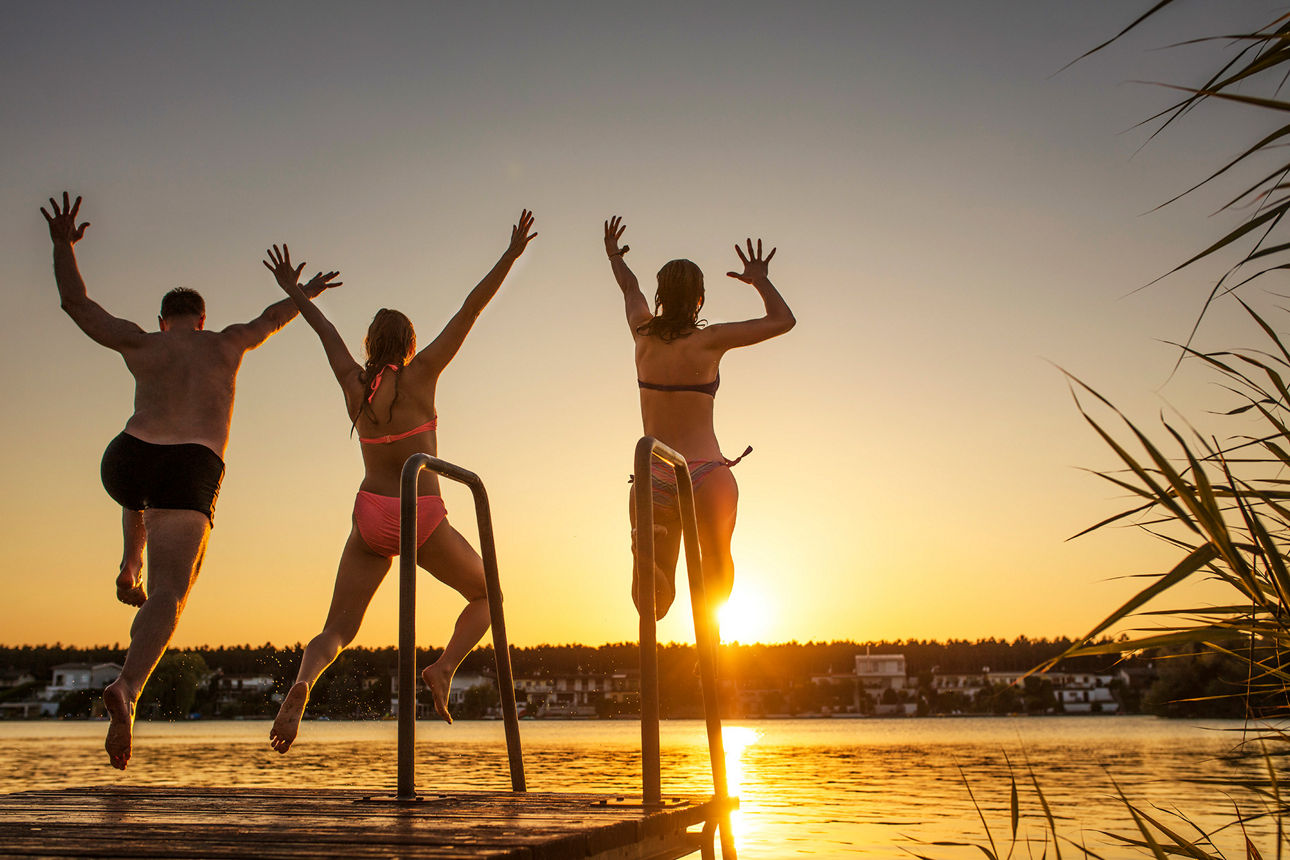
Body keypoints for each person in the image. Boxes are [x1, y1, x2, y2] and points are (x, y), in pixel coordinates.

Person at [41, 192, 341, 769]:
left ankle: (129, 561)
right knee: (172, 591)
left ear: (163, 319)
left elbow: (75, 304)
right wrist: (303, 291)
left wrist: (62, 244)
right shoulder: (226, 343)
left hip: (127, 457)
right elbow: (276, 318)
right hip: (190, 464)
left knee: (140, 495)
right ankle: (128, 687)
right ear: (201, 319)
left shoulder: (142, 342)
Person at [267, 210, 536, 754]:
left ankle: (303, 683)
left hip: (369, 516)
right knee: (490, 596)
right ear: (410, 342)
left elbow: (324, 331)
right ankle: (442, 668)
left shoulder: (353, 383)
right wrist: (510, 255)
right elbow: (470, 310)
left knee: (337, 630)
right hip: (422, 517)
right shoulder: (423, 374)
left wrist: (296, 291)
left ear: (370, 343)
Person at [603, 216, 795, 621]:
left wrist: (615, 254)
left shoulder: (642, 333)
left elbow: (629, 287)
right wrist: (759, 280)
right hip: (707, 473)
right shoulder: (710, 340)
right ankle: (710, 640)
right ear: (699, 300)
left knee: (653, 608)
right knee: (718, 561)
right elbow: (783, 321)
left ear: (660, 296)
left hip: (654, 470)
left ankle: (646, 554)